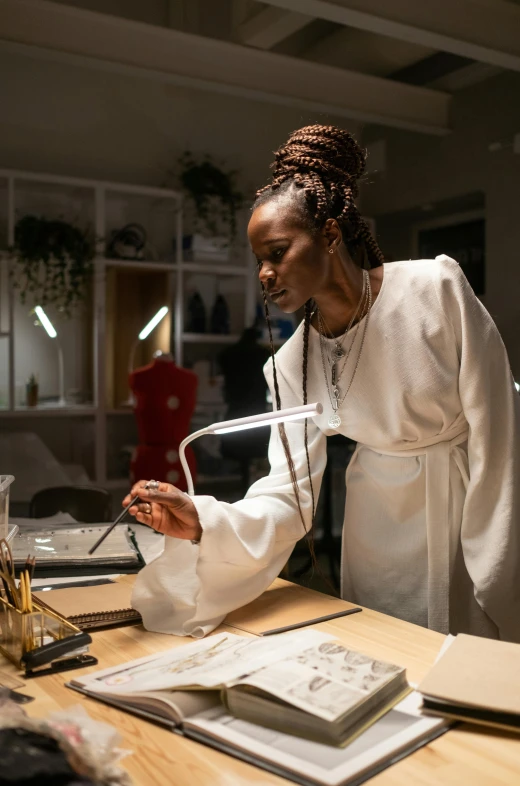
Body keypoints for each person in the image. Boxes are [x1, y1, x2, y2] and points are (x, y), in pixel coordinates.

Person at [126, 124, 520, 642]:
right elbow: (289, 494)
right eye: (258, 261)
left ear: (330, 235)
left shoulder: (434, 289)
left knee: (473, 670)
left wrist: (496, 564)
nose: (264, 274)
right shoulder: (291, 364)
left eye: (278, 252)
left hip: (468, 511)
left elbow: (500, 428)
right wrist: (204, 520)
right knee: (388, 662)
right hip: (374, 533)